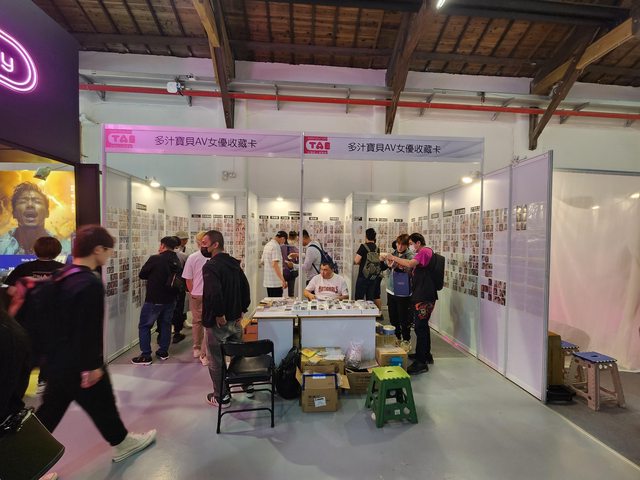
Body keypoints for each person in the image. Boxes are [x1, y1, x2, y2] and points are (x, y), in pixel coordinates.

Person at [35, 225, 156, 463]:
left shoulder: (61, 275)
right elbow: (87, 328)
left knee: (51, 411)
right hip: (80, 363)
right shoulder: (89, 282)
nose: (109, 255)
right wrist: (92, 365)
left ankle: (23, 461)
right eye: (109, 250)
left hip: (57, 360)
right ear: (98, 249)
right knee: (101, 403)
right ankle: (122, 442)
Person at [5, 236, 65, 393]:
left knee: (25, 351)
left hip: (26, 318)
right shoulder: (64, 269)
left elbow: (11, 290)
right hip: (53, 318)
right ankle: (43, 381)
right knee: (50, 349)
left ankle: (19, 385)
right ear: (58, 251)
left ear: (35, 250)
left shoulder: (23, 268)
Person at [201, 230, 251, 408]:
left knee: (216, 359)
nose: (202, 246)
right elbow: (245, 288)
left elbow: (213, 293)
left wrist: (219, 314)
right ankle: (247, 384)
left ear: (215, 245)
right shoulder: (234, 264)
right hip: (235, 319)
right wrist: (242, 309)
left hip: (218, 322)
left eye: (205, 243)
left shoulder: (211, 266)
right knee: (238, 353)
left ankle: (222, 396)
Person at [386, 233, 437, 375]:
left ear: (418, 243)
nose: (410, 247)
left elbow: (410, 264)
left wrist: (393, 257)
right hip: (421, 294)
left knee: (420, 328)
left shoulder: (424, 251)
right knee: (422, 327)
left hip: (424, 296)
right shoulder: (423, 253)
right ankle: (425, 355)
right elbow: (410, 269)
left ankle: (421, 362)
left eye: (411, 244)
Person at [132, 236, 181, 365]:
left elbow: (142, 274)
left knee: (145, 326)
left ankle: (146, 355)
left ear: (163, 245)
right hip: (170, 299)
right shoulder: (176, 260)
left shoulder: (156, 258)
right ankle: (163, 352)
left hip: (154, 299)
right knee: (165, 325)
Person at [0, 182, 71, 256]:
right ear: (14, 213)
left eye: (37, 202)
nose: (30, 205)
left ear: (47, 213)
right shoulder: (2, 246)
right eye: (23, 201)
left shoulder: (65, 249)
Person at [382, 234, 414, 352]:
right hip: (391, 289)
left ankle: (406, 340)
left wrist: (399, 266)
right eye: (398, 244)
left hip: (403, 292)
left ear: (407, 245)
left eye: (402, 245)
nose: (400, 247)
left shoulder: (410, 255)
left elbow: (410, 269)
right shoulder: (393, 253)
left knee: (404, 318)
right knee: (393, 317)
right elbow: (384, 266)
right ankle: (396, 338)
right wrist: (385, 262)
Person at [182, 231, 209, 366]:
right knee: (208, 324)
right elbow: (188, 278)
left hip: (197, 294)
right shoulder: (213, 257)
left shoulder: (192, 257)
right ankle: (203, 351)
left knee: (197, 322)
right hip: (207, 294)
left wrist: (192, 292)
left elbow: (188, 278)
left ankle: (197, 348)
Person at [354, 228, 382, 309]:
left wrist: (362, 263)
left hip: (362, 276)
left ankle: (359, 314)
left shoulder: (363, 246)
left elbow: (356, 260)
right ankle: (370, 314)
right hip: (373, 277)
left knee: (359, 299)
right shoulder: (377, 248)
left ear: (366, 236)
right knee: (370, 300)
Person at [170, 234, 189, 344]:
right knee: (178, 307)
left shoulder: (159, 256)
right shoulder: (183, 256)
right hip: (179, 285)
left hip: (166, 287)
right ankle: (177, 332)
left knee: (168, 308)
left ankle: (162, 334)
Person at [261, 230, 287, 297]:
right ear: (283, 238)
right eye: (284, 241)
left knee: (271, 300)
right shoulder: (276, 246)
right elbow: (275, 264)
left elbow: (262, 261)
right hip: (275, 282)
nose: (283, 243)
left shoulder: (267, 245)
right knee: (276, 302)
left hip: (268, 281)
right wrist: (283, 280)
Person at [281, 231, 299, 297]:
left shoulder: (281, 247)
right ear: (296, 238)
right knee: (291, 292)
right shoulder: (296, 249)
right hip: (291, 272)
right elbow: (298, 261)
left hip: (283, 271)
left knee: (281, 291)